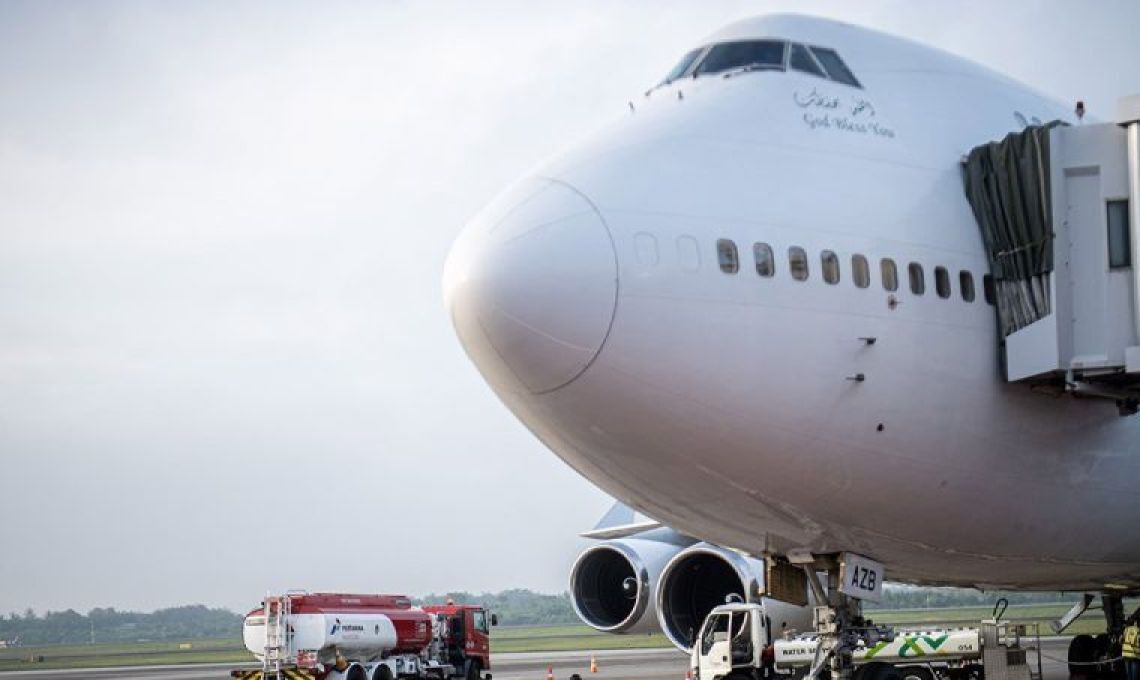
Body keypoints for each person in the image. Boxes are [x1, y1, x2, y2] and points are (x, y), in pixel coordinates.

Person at [1123, 614, 1140, 680]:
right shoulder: (1138, 630)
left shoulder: (1127, 629)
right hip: (1135, 656)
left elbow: (1120, 640)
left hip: (1126, 655)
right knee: (1135, 677)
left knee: (1129, 676)